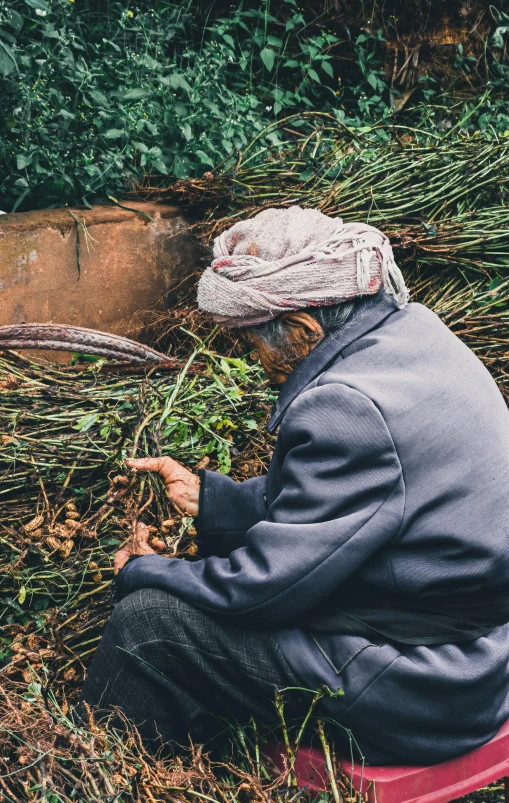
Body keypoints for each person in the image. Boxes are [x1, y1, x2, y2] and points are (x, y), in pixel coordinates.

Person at [81, 206, 509, 765]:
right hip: (480, 653)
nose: (254, 361)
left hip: (422, 682)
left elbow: (264, 591)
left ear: (305, 331)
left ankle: (112, 774)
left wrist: (143, 572)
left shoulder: (347, 405)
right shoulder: (413, 334)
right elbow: (364, 502)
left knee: (147, 625)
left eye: (254, 343)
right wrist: (213, 500)